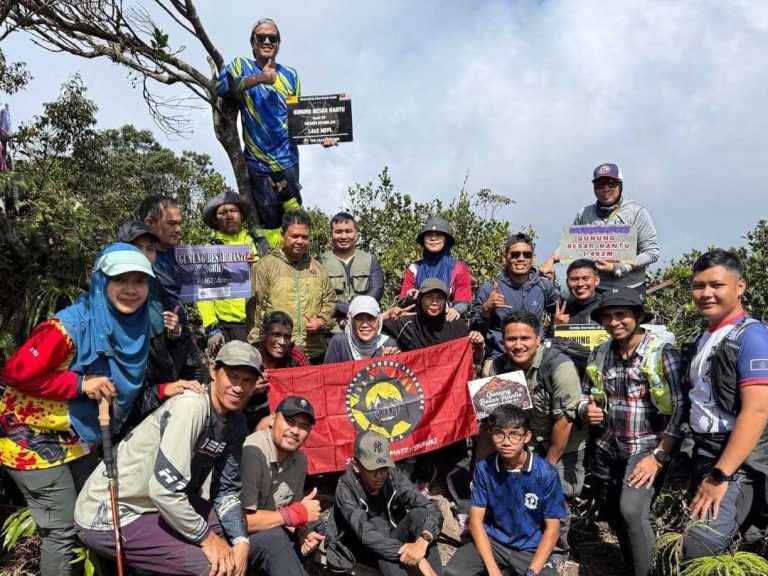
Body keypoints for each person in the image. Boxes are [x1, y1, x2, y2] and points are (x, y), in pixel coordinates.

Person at [0, 243, 154, 576]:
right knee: (64, 528)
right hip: (30, 438)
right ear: (101, 282)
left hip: (77, 436)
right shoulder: (67, 327)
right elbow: (14, 373)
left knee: (98, 512)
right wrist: (80, 384)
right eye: (120, 280)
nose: (131, 289)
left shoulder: (135, 325)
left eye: (139, 281)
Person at [74, 341, 263, 576]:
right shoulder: (192, 406)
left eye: (247, 381)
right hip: (112, 512)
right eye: (232, 376)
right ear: (214, 372)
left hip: (155, 505)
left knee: (226, 533)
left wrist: (241, 541)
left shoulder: (236, 423)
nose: (238, 387)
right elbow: (164, 491)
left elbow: (226, 491)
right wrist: (206, 539)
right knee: (210, 567)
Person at [582, 287, 685, 576]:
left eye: (621, 315)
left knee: (632, 509)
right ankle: (633, 565)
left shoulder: (662, 353)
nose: (614, 322)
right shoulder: (601, 352)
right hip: (607, 446)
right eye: (608, 317)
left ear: (638, 316)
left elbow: (680, 407)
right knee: (613, 510)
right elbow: (590, 392)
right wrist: (587, 407)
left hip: (645, 446)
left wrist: (659, 455)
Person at [214, 18, 336, 246]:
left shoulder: (291, 75)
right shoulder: (242, 66)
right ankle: (269, 269)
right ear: (252, 42)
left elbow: (300, 117)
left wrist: (322, 135)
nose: (267, 41)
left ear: (279, 44)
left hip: (288, 161)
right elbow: (219, 86)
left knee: (294, 219)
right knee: (267, 222)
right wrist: (260, 78)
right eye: (261, 37)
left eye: (273, 38)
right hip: (257, 163)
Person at [680, 249, 768, 559]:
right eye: (698, 285)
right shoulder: (705, 337)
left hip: (734, 460)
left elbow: (757, 411)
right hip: (704, 452)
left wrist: (720, 475)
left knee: (700, 543)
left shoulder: (752, 337)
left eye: (716, 285)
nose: (705, 293)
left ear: (740, 286)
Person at [444, 405, 565, 576]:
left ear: (527, 436)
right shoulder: (484, 468)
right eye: (499, 433)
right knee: (452, 572)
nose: (506, 442)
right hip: (494, 541)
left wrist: (532, 572)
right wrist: (493, 570)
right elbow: (476, 522)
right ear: (491, 434)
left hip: (529, 547)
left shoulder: (545, 473)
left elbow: (552, 529)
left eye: (514, 434)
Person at [116, 221, 206, 423]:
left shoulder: (155, 285)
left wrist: (174, 330)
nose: (145, 254)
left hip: (157, 387)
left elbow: (173, 341)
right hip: (127, 396)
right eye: (137, 248)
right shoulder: (106, 291)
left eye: (150, 249)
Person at [325, 430, 444, 576]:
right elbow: (365, 533)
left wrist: (423, 541)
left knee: (420, 513)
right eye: (372, 469)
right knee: (377, 524)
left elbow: (430, 507)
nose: (379, 475)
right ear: (356, 466)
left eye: (383, 468)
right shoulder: (346, 487)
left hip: (391, 540)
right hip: (359, 548)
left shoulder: (394, 476)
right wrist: (420, 560)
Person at [539, 163, 660, 294]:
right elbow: (571, 246)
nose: (606, 188)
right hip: (595, 289)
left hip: (630, 288)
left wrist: (621, 267)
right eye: (599, 185)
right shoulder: (584, 214)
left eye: (611, 183)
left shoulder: (637, 213)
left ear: (620, 184)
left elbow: (651, 253)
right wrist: (551, 259)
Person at [240, 396, 323, 575]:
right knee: (275, 539)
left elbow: (289, 512)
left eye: (303, 427)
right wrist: (296, 514)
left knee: (315, 528)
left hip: (268, 528)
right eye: (289, 421)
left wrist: (302, 532)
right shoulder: (253, 452)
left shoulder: (300, 460)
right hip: (233, 535)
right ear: (272, 419)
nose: (295, 431)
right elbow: (241, 522)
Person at [246, 210, 336, 363]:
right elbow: (254, 311)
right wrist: (257, 348)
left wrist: (321, 321)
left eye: (305, 237)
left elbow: (330, 301)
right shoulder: (264, 266)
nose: (300, 241)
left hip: (314, 352)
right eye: (294, 236)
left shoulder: (318, 268)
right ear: (282, 235)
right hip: (277, 354)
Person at [471, 232, 560, 369]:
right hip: (498, 361)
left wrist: (558, 326)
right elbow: (475, 332)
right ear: (504, 258)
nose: (521, 258)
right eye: (515, 254)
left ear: (533, 259)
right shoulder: (489, 288)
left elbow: (563, 310)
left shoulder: (543, 286)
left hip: (535, 362)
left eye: (527, 254)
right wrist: (486, 310)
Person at [198, 191, 270, 354]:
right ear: (216, 219)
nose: (229, 216)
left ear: (242, 215)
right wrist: (212, 328)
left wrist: (256, 266)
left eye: (233, 211)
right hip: (228, 328)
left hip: (262, 325)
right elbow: (205, 295)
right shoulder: (209, 251)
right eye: (222, 213)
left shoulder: (259, 244)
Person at [384, 278, 485, 361]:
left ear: (445, 301)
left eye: (440, 298)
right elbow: (371, 326)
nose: (434, 302)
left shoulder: (456, 325)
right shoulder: (406, 324)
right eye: (429, 297)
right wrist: (388, 314)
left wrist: (479, 346)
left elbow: (476, 360)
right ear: (420, 299)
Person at [318, 212, 384, 333]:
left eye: (348, 231)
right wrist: (345, 310)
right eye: (338, 232)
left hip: (365, 327)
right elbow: (320, 296)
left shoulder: (370, 260)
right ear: (331, 234)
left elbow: (377, 290)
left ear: (356, 234)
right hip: (332, 329)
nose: (344, 236)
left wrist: (357, 311)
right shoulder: (320, 262)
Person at [245, 311, 309, 431]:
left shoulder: (296, 356)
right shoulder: (246, 358)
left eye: (287, 337)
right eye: (276, 335)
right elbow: (227, 404)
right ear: (263, 334)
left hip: (288, 423)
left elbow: (309, 393)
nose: (282, 342)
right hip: (248, 425)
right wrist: (251, 391)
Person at [399, 216, 472, 321]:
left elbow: (463, 300)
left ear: (445, 240)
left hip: (447, 320)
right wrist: (409, 297)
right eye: (429, 235)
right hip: (417, 321)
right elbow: (403, 301)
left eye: (438, 235)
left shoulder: (459, 268)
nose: (433, 238)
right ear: (424, 240)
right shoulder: (414, 268)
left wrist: (456, 310)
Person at [324, 296, 399, 363]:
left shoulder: (388, 344)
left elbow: (398, 376)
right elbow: (328, 375)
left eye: (370, 318)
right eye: (359, 318)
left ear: (378, 321)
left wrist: (388, 364)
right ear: (350, 321)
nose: (365, 324)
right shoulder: (339, 343)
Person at [552, 258, 601, 326]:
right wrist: (558, 328)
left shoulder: (608, 306)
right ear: (567, 282)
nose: (580, 284)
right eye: (574, 279)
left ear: (596, 280)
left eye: (585, 278)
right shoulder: (562, 311)